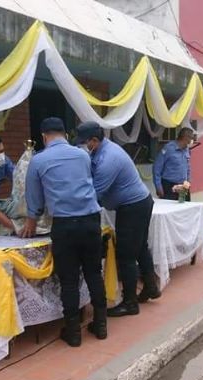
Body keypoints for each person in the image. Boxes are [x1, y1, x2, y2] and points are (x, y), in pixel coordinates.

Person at [20, 118, 107, 347]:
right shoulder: (83, 155)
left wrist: (31, 221)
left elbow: (34, 198)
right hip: (91, 220)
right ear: (65, 135)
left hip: (65, 225)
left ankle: (73, 333)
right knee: (94, 273)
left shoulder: (38, 160)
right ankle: (100, 325)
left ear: (43, 136)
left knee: (68, 280)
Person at [74, 122, 161, 318]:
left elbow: (94, 195)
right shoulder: (100, 151)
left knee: (126, 255)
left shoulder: (108, 159)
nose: (81, 147)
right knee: (139, 248)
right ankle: (151, 288)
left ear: (94, 141)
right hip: (137, 203)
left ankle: (130, 303)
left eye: (83, 143)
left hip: (133, 207)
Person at [153, 127, 194, 200]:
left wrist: (188, 182)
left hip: (183, 186)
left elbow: (188, 167)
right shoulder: (168, 148)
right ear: (185, 137)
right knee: (169, 209)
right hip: (169, 186)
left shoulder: (186, 149)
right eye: (191, 138)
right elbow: (157, 168)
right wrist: (158, 186)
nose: (191, 141)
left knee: (185, 209)